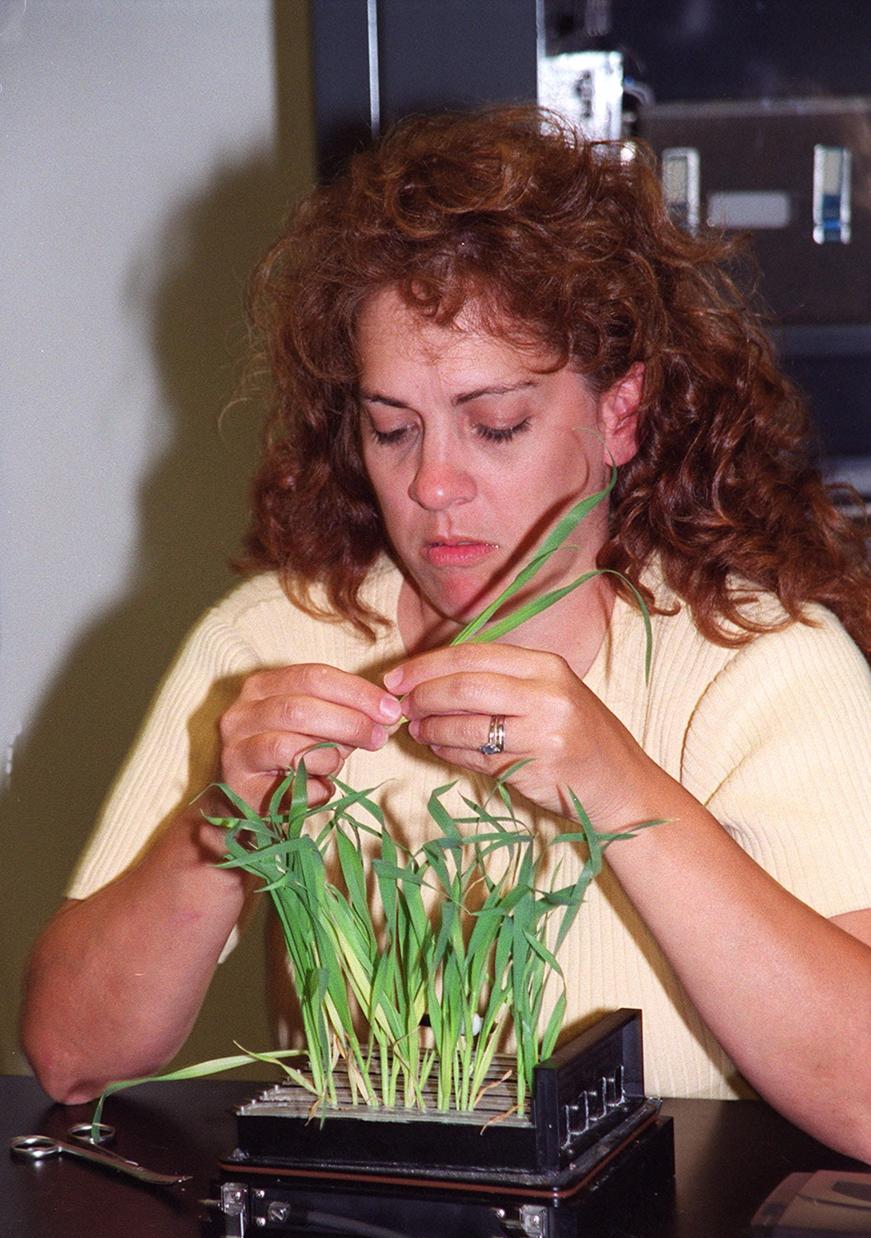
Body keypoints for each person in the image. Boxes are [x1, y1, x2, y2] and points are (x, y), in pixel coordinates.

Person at [21, 107, 871, 1159]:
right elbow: (70, 1056)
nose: (431, 483)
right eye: (391, 426)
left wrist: (619, 783)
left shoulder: (759, 665)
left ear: (618, 413)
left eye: (494, 424)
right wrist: (223, 821)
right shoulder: (272, 641)